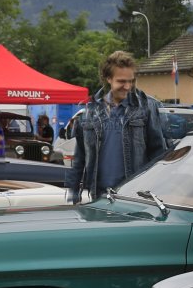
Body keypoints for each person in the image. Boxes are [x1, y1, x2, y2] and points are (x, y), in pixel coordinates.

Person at [67, 50, 168, 203]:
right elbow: (80, 157)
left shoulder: (146, 107)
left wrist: (158, 191)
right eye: (121, 81)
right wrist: (73, 193)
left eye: (130, 81)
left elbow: (158, 153)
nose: (127, 86)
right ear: (108, 78)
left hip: (133, 195)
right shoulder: (91, 110)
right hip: (98, 196)